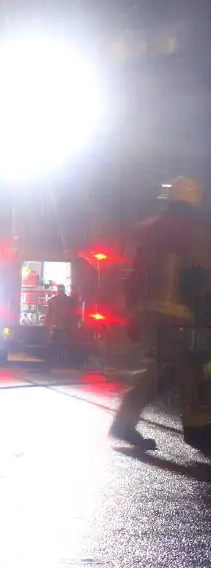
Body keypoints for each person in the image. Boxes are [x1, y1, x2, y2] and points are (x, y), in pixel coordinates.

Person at [110, 176, 211, 454]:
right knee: (191, 368)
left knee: (161, 370)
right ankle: (197, 428)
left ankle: (127, 421)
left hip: (149, 313)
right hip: (178, 314)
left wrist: (132, 313)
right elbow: (200, 275)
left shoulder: (149, 230)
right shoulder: (193, 231)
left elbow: (133, 276)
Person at [46, 284, 78, 367]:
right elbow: (49, 313)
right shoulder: (68, 301)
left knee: (59, 345)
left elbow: (49, 314)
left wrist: (47, 324)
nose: (60, 291)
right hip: (59, 326)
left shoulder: (56, 300)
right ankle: (59, 362)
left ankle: (59, 362)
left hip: (61, 326)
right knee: (57, 345)